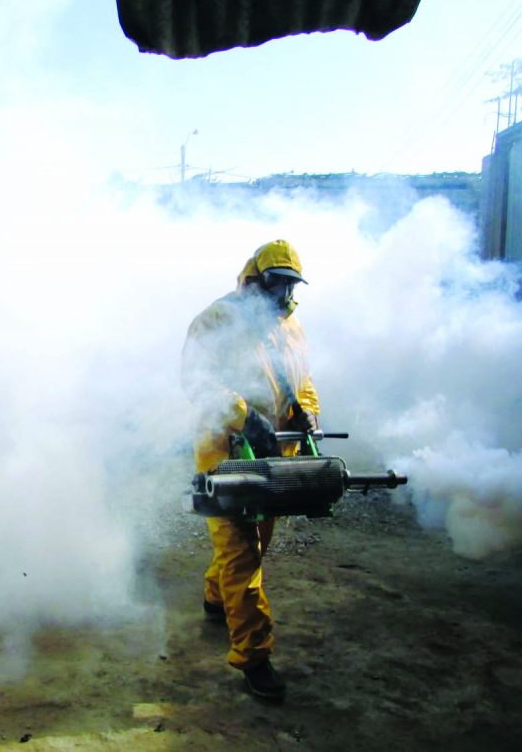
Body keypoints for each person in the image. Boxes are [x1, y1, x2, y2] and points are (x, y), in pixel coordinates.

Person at [180, 238, 321, 701]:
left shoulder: (289, 326)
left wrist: (306, 412)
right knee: (243, 557)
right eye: (274, 284)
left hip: (275, 460)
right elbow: (196, 380)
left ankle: (215, 598)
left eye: (289, 287)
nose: (281, 295)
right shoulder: (218, 319)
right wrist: (244, 415)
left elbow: (303, 380)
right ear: (253, 279)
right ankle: (254, 657)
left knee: (253, 544)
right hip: (225, 456)